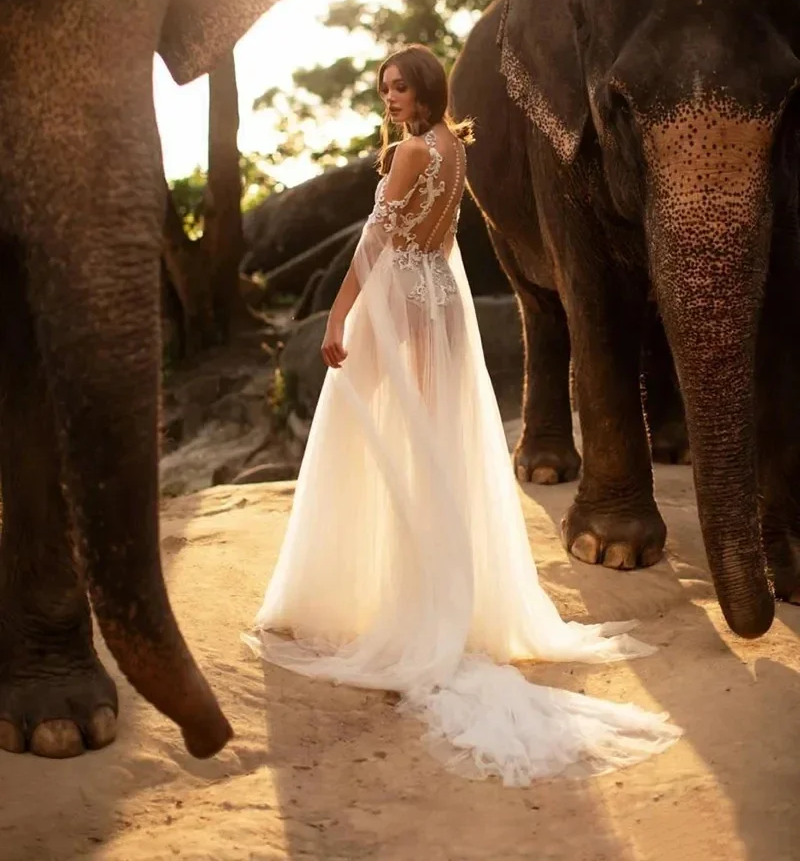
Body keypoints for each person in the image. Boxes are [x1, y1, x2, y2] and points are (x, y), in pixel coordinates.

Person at [243, 44, 681, 785]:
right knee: (426, 442)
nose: (390, 96)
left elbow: (375, 241)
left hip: (400, 301)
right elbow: (435, 236)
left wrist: (334, 318)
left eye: (401, 87)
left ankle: (403, 604)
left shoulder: (415, 152)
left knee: (378, 439)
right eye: (385, 86)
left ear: (425, 90)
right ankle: (425, 592)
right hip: (438, 298)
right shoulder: (453, 148)